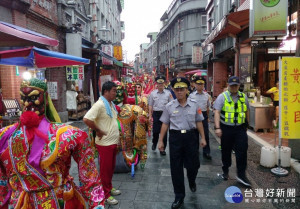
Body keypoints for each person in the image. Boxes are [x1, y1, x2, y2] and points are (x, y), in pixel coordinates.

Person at [0, 78, 105, 209]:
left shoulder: (70, 135)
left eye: (33, 97)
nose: (27, 103)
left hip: (58, 200)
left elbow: (89, 175)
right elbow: (2, 179)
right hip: (22, 201)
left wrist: (97, 203)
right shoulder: (4, 136)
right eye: (23, 97)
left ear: (45, 98)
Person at [158, 77, 206, 209]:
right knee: (176, 168)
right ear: (173, 90)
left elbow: (199, 121)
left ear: (187, 90)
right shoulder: (169, 106)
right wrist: (161, 140)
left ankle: (192, 179)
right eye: (177, 89)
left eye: (182, 89)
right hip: (175, 138)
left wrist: (203, 137)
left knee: (193, 165)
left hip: (191, 137)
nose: (179, 92)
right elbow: (165, 124)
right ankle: (179, 196)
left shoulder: (195, 105)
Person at [83, 81, 121, 205]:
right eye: (114, 91)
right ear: (106, 91)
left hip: (113, 142)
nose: (116, 93)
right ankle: (105, 193)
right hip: (104, 144)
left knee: (110, 169)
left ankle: (109, 187)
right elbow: (87, 119)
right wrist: (98, 130)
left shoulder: (110, 104)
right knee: (105, 170)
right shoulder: (99, 105)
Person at [214, 76, 251, 187]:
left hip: (240, 129)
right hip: (226, 129)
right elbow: (216, 112)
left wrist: (247, 124)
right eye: (232, 85)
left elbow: (247, 110)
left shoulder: (243, 97)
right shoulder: (222, 97)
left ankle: (241, 174)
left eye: (236, 85)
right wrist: (217, 127)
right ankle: (225, 170)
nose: (234, 87)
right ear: (228, 85)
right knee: (226, 151)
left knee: (242, 151)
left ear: (239, 86)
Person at [148, 75, 173, 155]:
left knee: (164, 132)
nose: (160, 85)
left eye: (162, 83)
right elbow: (150, 105)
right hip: (156, 114)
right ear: (156, 84)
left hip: (165, 114)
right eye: (159, 83)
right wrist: (149, 115)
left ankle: (162, 149)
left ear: (164, 84)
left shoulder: (168, 93)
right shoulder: (153, 93)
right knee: (155, 131)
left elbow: (172, 104)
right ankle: (154, 142)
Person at [189, 76, 212, 160]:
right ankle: (195, 150)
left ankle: (206, 151)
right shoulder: (191, 96)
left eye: (201, 84)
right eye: (198, 84)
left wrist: (208, 117)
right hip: (194, 116)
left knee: (205, 134)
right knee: (194, 135)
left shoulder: (207, 96)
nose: (200, 86)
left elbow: (208, 107)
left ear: (204, 85)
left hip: (204, 116)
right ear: (195, 85)